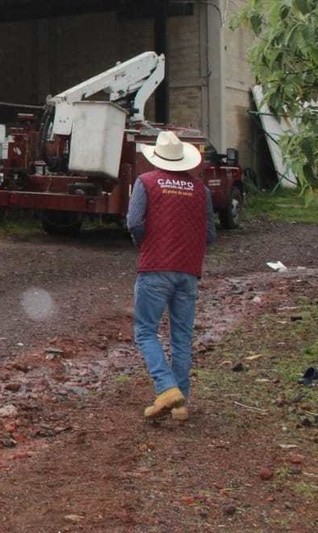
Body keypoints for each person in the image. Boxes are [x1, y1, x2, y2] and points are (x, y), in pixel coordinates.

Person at [126, 130, 216, 422]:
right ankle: (180, 404)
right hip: (189, 272)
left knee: (145, 330)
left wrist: (145, 243)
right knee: (181, 337)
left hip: (155, 268)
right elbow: (210, 235)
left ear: (157, 158)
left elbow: (134, 222)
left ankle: (166, 388)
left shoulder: (147, 182)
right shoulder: (201, 191)